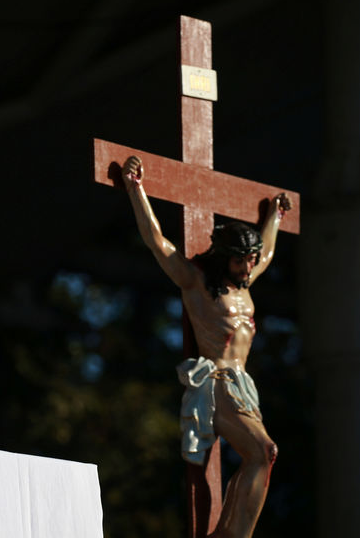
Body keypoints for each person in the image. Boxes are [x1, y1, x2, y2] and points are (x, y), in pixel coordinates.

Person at [120, 156, 291, 538]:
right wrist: (136, 189)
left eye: (249, 260)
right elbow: (157, 242)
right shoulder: (196, 281)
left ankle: (229, 533)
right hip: (217, 383)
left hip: (242, 385)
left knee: (262, 457)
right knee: (264, 452)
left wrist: (275, 215)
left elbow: (267, 252)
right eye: (240, 261)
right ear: (222, 257)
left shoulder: (245, 281)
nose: (248, 268)